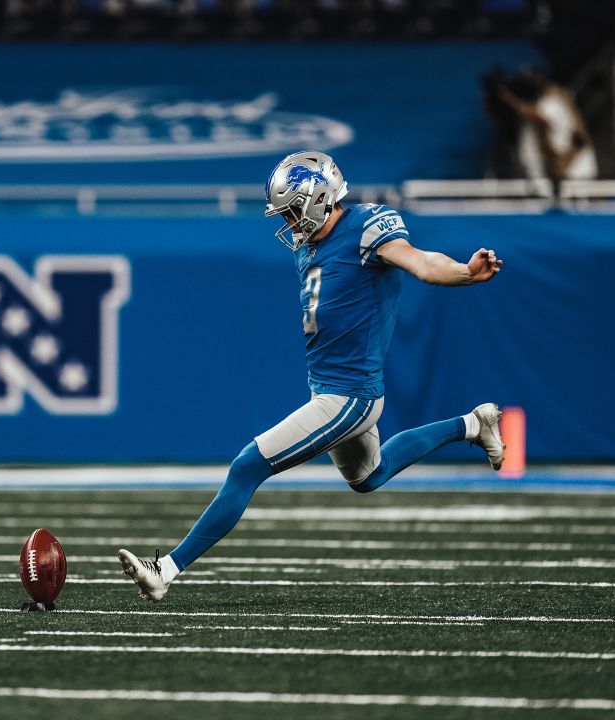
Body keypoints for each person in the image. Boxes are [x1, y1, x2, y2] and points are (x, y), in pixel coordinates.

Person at [117, 151, 506, 602]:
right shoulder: (310, 247)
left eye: (290, 210)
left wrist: (463, 272)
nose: (287, 221)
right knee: (369, 476)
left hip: (349, 396)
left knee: (247, 466)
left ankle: (165, 569)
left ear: (319, 198)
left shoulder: (367, 226)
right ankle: (474, 424)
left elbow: (419, 261)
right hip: (330, 388)